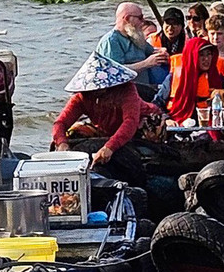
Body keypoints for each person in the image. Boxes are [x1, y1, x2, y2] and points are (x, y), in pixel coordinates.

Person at [51, 53, 166, 181]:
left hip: (143, 123)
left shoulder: (127, 90)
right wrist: (62, 144)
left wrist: (109, 147)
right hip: (106, 129)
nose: (96, 91)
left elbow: (130, 122)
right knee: (74, 132)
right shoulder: (82, 97)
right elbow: (60, 123)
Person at [98, 1, 170, 102]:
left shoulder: (134, 36)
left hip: (143, 90)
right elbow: (115, 72)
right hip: (123, 95)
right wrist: (146, 63)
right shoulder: (111, 41)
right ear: (127, 18)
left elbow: (151, 51)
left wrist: (162, 53)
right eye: (140, 18)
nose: (143, 21)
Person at [163, 35, 224, 123]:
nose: (206, 59)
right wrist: (166, 119)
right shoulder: (172, 78)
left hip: (208, 126)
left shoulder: (215, 77)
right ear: (192, 56)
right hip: (178, 125)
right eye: (201, 55)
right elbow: (157, 104)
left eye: (209, 54)